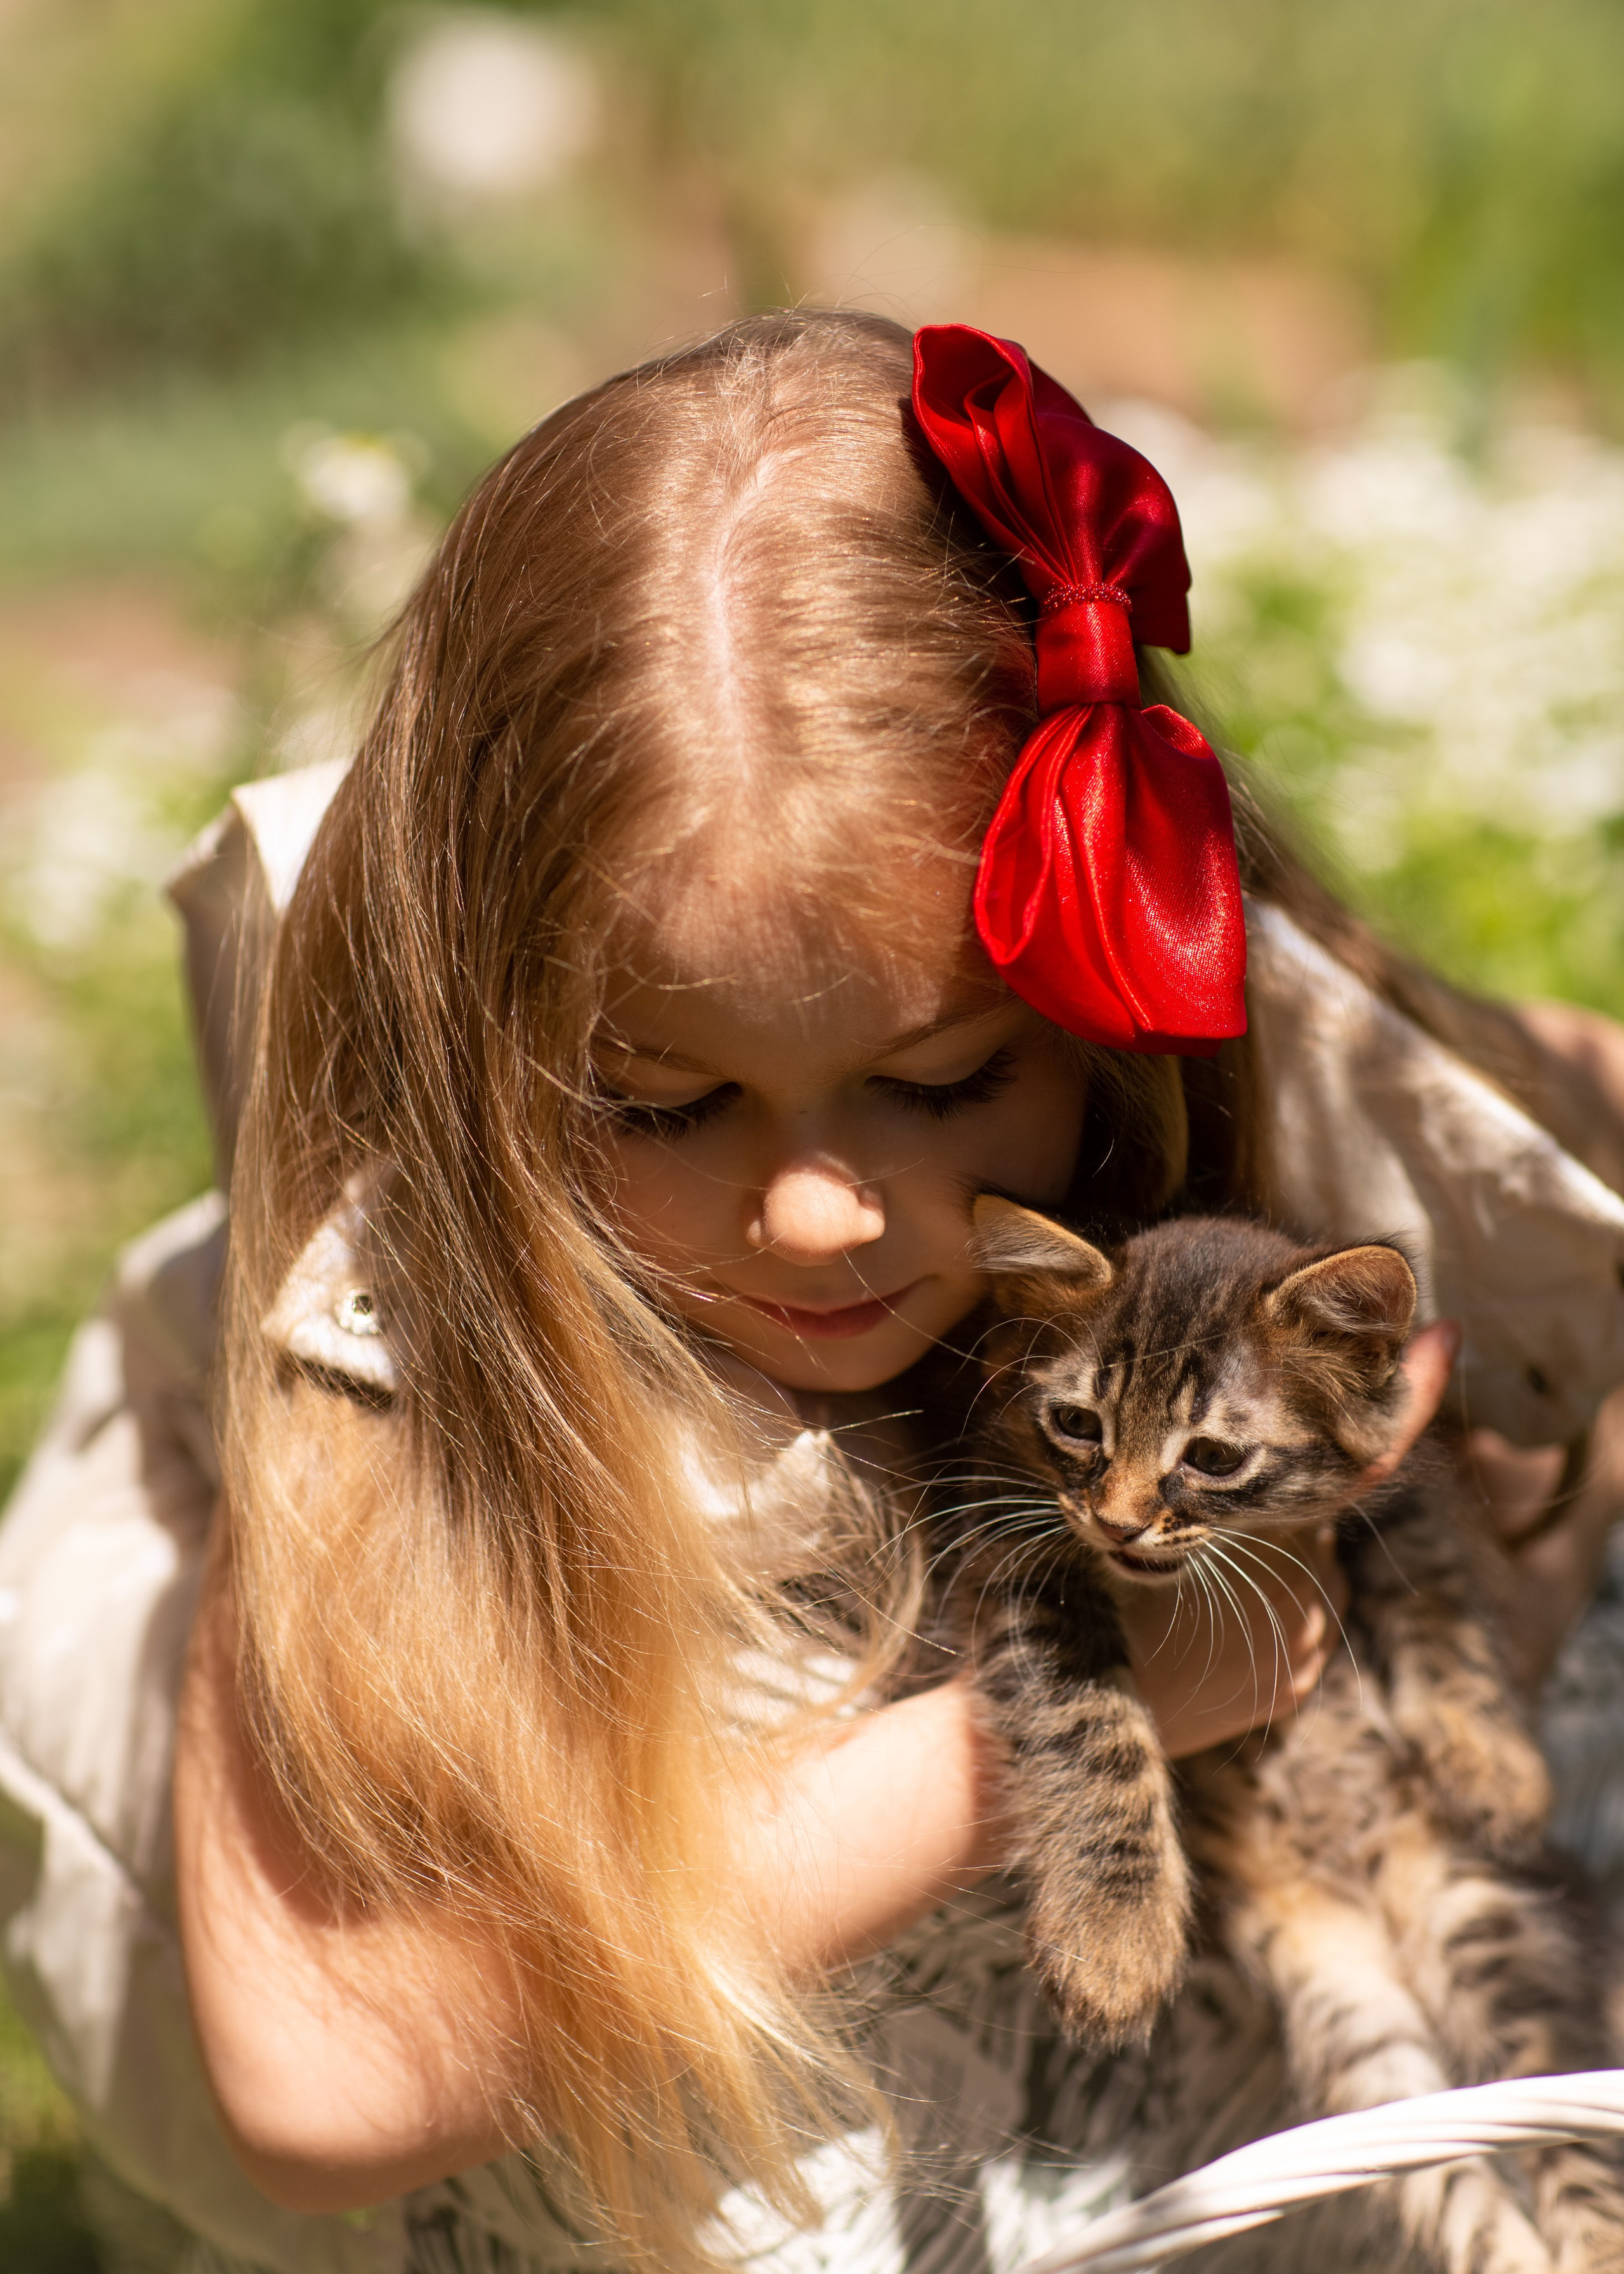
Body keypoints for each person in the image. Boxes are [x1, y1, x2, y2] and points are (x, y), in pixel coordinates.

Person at [4, 309, 1624, 2274]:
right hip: (575, 2055)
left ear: (1112, 995)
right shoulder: (393, 1347)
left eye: (943, 1083)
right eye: (658, 1100)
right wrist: (1055, 1737)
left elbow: (1561, 1096)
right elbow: (325, 2078)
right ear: (482, 1057)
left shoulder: (1226, 1052)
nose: (818, 1213)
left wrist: (1471, 1514)